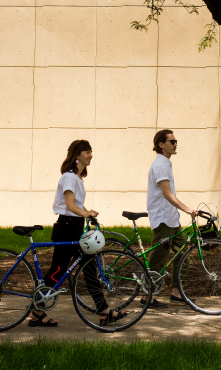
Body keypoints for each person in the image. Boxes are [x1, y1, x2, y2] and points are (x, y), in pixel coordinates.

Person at [29, 139, 128, 327]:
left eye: (91, 152)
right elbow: (69, 204)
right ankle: (37, 311)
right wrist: (84, 213)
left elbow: (77, 203)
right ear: (77, 155)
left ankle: (102, 311)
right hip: (66, 228)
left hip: (73, 227)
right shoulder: (69, 177)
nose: (91, 155)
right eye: (87, 152)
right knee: (59, 271)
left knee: (86, 268)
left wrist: (87, 213)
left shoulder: (77, 178)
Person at [145, 129, 198, 307]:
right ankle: (147, 296)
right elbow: (167, 193)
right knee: (158, 259)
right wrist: (187, 209)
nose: (176, 144)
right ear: (161, 144)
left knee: (184, 255)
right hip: (162, 219)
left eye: (176, 141)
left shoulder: (166, 163)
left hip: (171, 218)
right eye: (172, 142)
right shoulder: (159, 165)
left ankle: (176, 292)